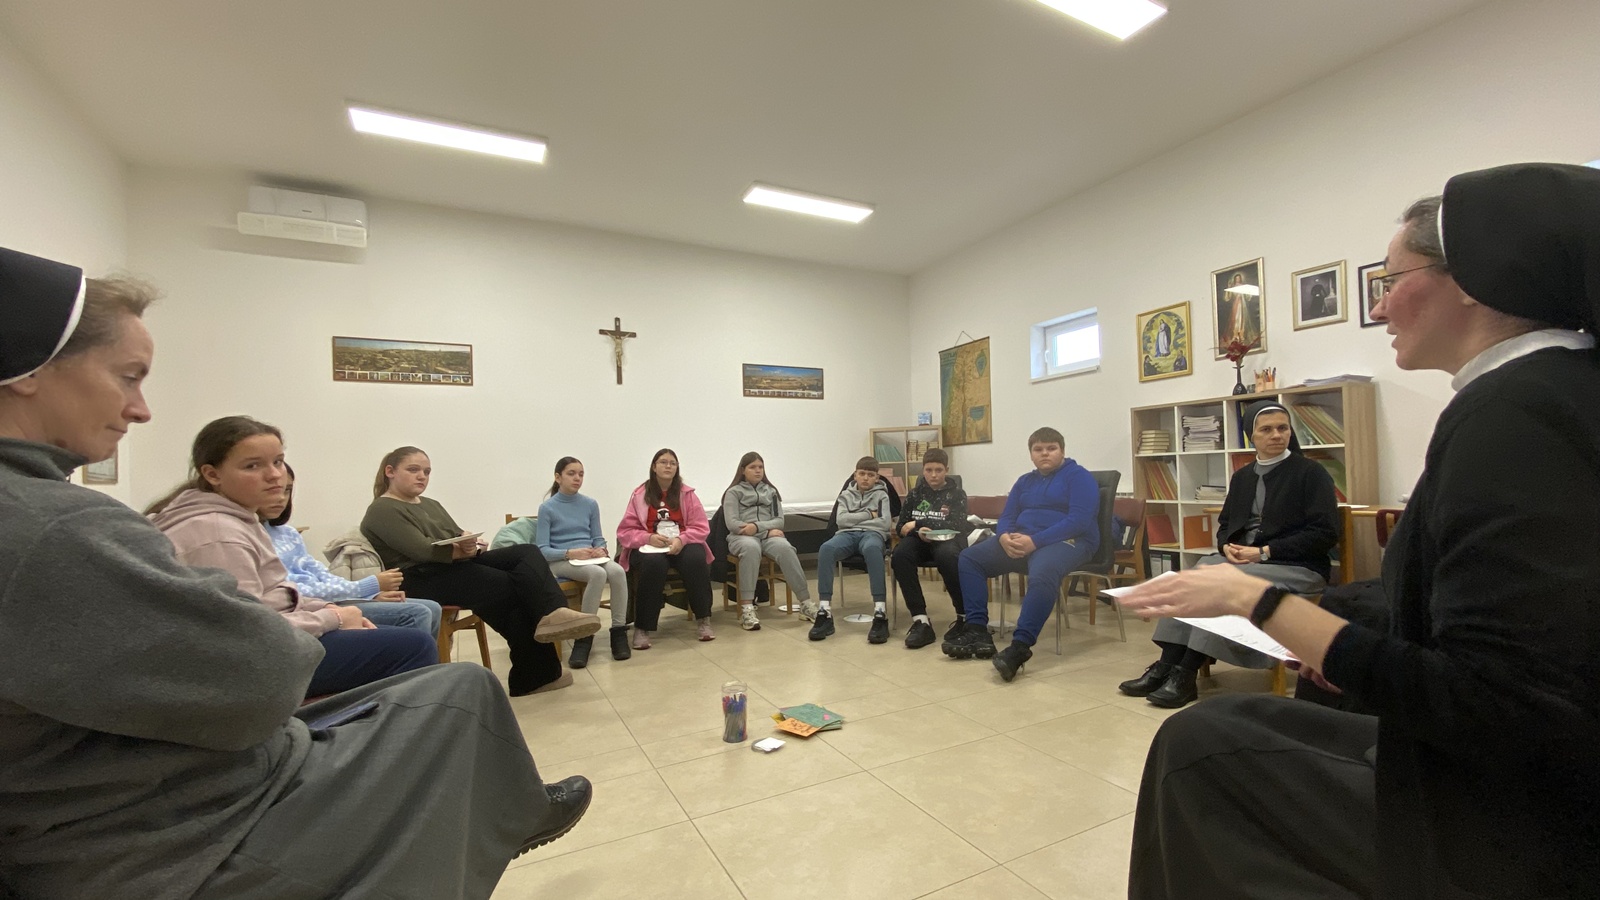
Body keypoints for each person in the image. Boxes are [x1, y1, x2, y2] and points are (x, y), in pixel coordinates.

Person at [0, 249, 590, 900]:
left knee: (495, 598)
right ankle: (501, 808)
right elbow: (264, 668)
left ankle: (524, 731)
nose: (141, 410)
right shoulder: (58, 527)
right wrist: (330, 613)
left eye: (278, 463)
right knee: (460, 690)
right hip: (178, 822)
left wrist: (307, 614)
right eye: (128, 377)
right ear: (30, 369)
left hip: (164, 779)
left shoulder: (62, 518)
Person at [1120, 163, 1600, 899]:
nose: (1377, 308)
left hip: (1516, 823)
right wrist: (1332, 623)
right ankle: (1176, 664)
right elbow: (1464, 603)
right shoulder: (1555, 393)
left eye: (1390, 280)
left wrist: (1261, 602)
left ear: (1472, 279)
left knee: (1197, 747)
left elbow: (1495, 702)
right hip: (1522, 776)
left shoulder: (1516, 417)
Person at [148, 417, 439, 697]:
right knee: (414, 645)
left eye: (277, 462)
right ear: (213, 475)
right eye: (252, 466)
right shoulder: (217, 532)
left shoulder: (242, 520)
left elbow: (283, 594)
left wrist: (328, 608)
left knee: (403, 632)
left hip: (280, 634)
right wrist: (334, 616)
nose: (275, 475)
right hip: (249, 664)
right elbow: (248, 631)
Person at [1118, 402, 1337, 708]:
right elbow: (1226, 525)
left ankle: (1186, 672)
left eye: (1283, 428)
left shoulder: (1311, 473)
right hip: (1245, 562)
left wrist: (1264, 552)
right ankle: (1166, 664)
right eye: (1266, 429)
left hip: (1297, 566)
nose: (1276, 435)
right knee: (1193, 575)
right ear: (1251, 436)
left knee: (1222, 584)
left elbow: (1325, 533)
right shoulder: (1243, 476)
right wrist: (1226, 547)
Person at [361, 446, 600, 694]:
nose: (422, 476)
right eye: (413, 470)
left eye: (427, 471)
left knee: (526, 553)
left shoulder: (431, 504)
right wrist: (462, 550)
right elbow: (422, 551)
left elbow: (454, 536)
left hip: (452, 566)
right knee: (508, 585)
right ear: (390, 471)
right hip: (419, 577)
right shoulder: (382, 509)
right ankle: (534, 676)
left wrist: (470, 544)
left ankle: (554, 613)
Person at [943, 427, 1098, 682]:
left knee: (1044, 571)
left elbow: (1079, 521)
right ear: (1031, 454)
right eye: (1038, 449)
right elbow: (1008, 515)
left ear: (1062, 451)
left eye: (1051, 448)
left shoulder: (1079, 477)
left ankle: (1020, 647)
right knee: (970, 558)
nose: (1045, 453)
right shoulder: (1025, 481)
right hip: (1022, 541)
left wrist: (1035, 541)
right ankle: (977, 630)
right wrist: (1004, 536)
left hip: (1069, 541)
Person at [263, 462, 442, 638]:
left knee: (433, 608)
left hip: (328, 600)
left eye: (287, 490)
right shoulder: (255, 538)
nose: (281, 498)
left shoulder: (288, 533)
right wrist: (364, 587)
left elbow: (321, 574)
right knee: (417, 613)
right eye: (274, 490)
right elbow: (293, 592)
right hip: (304, 611)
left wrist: (368, 594)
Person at [495, 456, 630, 667]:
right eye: (571, 474)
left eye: (581, 474)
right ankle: (583, 637)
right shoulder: (547, 508)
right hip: (561, 560)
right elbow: (542, 550)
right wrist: (570, 553)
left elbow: (597, 537)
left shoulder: (590, 504)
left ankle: (618, 632)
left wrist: (600, 548)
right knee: (597, 574)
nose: (577, 478)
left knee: (618, 571)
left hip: (589, 557)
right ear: (558, 477)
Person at [617, 448, 717, 646]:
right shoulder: (639, 495)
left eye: (672, 463)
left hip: (681, 543)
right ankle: (643, 628)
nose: (668, 466)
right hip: (649, 546)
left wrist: (682, 539)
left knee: (696, 559)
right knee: (653, 564)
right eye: (663, 462)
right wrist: (648, 537)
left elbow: (701, 527)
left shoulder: (687, 494)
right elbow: (625, 532)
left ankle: (704, 619)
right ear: (654, 467)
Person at [721, 451, 812, 631]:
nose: (758, 471)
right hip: (742, 537)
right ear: (742, 470)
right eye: (752, 467)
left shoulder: (771, 492)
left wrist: (758, 528)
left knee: (786, 548)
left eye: (760, 467)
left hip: (767, 535)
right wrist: (763, 530)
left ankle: (806, 603)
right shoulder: (733, 492)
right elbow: (732, 523)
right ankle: (747, 608)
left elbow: (779, 521)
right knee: (751, 549)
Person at [891, 448, 971, 649]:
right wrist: (917, 530)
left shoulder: (957, 494)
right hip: (919, 540)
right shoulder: (915, 494)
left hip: (948, 540)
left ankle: (964, 617)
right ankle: (920, 620)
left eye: (938, 470)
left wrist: (919, 523)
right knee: (900, 555)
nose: (933, 475)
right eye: (929, 470)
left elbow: (958, 524)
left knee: (947, 556)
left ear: (947, 470)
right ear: (923, 471)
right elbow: (901, 527)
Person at [810, 456, 893, 643]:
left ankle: (880, 612)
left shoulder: (882, 496)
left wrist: (855, 518)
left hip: (873, 534)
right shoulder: (846, 495)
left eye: (870, 475)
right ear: (855, 475)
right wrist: (869, 514)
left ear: (877, 478)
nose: (865, 478)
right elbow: (841, 521)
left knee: (873, 550)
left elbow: (884, 523)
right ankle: (824, 611)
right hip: (846, 535)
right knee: (826, 549)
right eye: (862, 474)